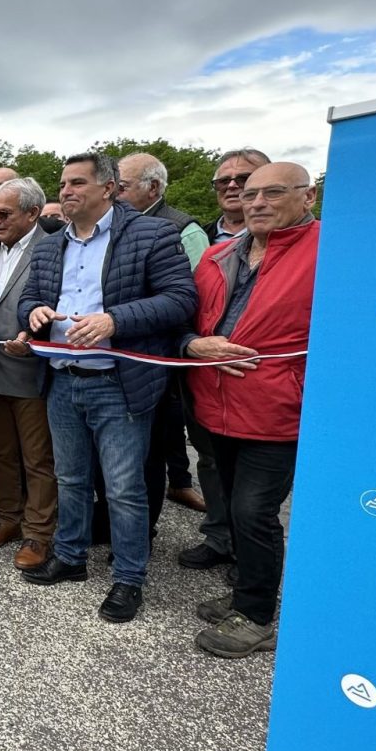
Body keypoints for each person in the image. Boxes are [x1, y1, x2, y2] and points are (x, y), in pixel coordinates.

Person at [16, 152, 196, 623]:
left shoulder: (151, 234)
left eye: (77, 182)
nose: (66, 191)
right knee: (71, 478)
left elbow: (180, 300)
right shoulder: (52, 245)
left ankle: (129, 578)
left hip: (119, 381)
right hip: (61, 377)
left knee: (123, 487)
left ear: (109, 188)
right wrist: (32, 314)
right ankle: (72, 558)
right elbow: (32, 298)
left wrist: (114, 320)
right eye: (63, 183)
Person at [184, 163, 317, 658]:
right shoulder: (218, 256)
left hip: (275, 409)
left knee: (254, 510)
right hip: (214, 404)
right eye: (250, 193)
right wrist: (192, 343)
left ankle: (258, 616)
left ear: (308, 196)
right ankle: (247, 595)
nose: (255, 201)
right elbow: (186, 318)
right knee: (231, 500)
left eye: (272, 192)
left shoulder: (330, 252)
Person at [180, 148, 272, 575]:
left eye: (247, 181)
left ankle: (250, 562)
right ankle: (219, 537)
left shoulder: (299, 245)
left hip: (264, 386)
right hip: (204, 378)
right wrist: (191, 343)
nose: (236, 189)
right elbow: (185, 307)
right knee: (212, 461)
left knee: (257, 494)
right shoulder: (207, 243)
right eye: (226, 181)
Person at [116, 153, 211, 517]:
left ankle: (146, 528)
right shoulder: (113, 225)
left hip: (160, 358)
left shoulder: (182, 230)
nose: (113, 194)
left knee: (151, 451)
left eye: (122, 187)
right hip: (120, 358)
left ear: (153, 187)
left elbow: (193, 300)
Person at [0, 178, 56, 568]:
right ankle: (8, 519)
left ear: (33, 213)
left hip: (30, 368)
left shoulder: (54, 246)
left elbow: (59, 301)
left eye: (4, 214)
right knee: (1, 452)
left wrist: (37, 334)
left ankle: (38, 535)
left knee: (37, 458)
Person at [204, 148, 271, 244]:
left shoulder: (288, 233)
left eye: (243, 179)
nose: (231, 186)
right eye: (224, 181)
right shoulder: (197, 236)